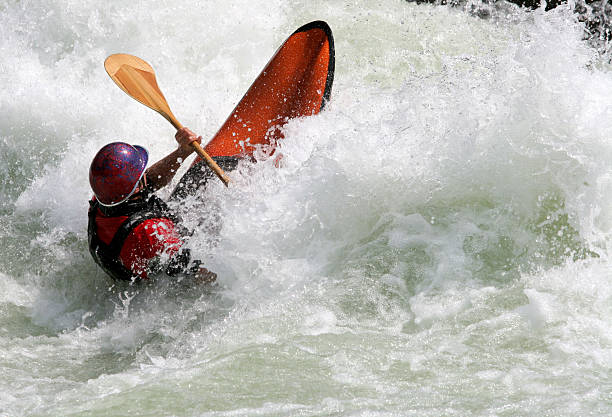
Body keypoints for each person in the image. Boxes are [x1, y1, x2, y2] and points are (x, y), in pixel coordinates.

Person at [87, 127, 236, 283]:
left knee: (201, 172)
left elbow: (149, 181)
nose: (144, 174)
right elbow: (191, 271)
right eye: (140, 175)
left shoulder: (105, 195)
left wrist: (182, 152)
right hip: (163, 271)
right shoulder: (152, 232)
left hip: (138, 255)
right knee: (208, 187)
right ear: (135, 187)